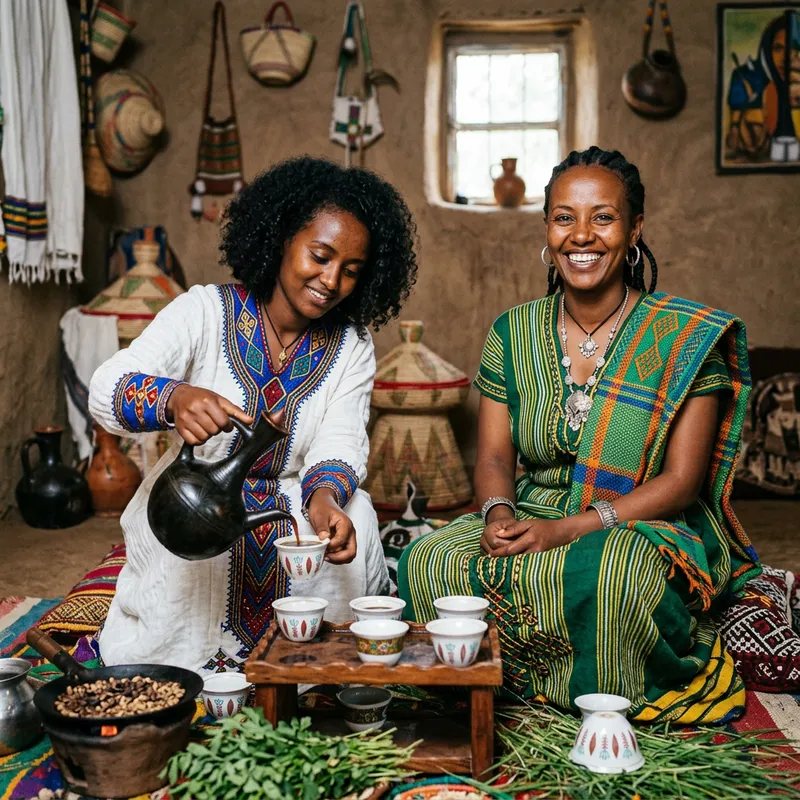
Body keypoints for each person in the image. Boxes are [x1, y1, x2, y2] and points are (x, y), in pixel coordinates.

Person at [398, 147, 760, 724]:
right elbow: (494, 457)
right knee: (426, 559)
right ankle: (497, 686)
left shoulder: (685, 337)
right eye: (564, 217)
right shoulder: (513, 331)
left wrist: (565, 530)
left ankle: (596, 694)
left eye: (604, 217)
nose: (582, 235)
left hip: (639, 521)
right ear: (547, 228)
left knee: (611, 575)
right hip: (533, 509)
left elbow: (682, 482)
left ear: (634, 229)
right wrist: (498, 516)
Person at [89, 156, 418, 672]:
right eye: (320, 256)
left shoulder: (352, 344)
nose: (331, 280)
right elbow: (107, 385)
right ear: (282, 237)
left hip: (296, 496)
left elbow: (341, 437)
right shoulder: (203, 311)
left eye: (351, 270)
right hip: (195, 493)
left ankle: (316, 672)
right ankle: (184, 663)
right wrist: (173, 398)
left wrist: (325, 501)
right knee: (188, 544)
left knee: (356, 516)